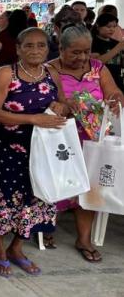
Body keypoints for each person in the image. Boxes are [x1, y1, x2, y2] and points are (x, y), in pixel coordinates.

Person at [0, 27, 69, 277]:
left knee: (35, 197)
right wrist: (33, 119)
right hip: (7, 149)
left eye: (41, 45)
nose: (35, 50)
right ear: (18, 49)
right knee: (4, 197)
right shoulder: (7, 73)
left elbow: (63, 102)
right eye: (28, 45)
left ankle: (16, 248)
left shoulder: (51, 72)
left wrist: (59, 106)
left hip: (42, 150)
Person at [44, 25, 124, 262]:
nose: (82, 58)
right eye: (75, 52)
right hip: (62, 138)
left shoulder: (98, 68)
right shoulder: (49, 70)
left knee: (90, 187)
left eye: (86, 52)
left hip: (93, 139)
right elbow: (49, 102)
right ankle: (46, 227)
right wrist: (64, 105)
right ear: (61, 48)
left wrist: (115, 99)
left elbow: (114, 93)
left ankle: (84, 239)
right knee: (56, 182)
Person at [92, 13, 124, 91]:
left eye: (114, 26)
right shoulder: (93, 42)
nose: (112, 29)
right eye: (108, 26)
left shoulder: (116, 43)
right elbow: (96, 62)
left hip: (117, 79)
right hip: (100, 81)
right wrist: (117, 48)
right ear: (98, 26)